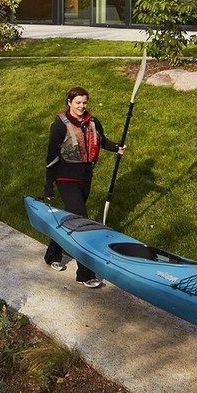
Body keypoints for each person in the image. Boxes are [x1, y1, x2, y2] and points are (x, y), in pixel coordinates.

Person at [42, 86, 124, 288]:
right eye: (77, 102)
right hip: (65, 178)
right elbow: (51, 156)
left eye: (84, 102)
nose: (81, 106)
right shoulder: (60, 125)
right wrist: (48, 185)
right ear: (69, 102)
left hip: (85, 178)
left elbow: (101, 140)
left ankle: (52, 253)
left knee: (71, 218)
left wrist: (116, 148)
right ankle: (85, 274)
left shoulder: (93, 122)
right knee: (81, 223)